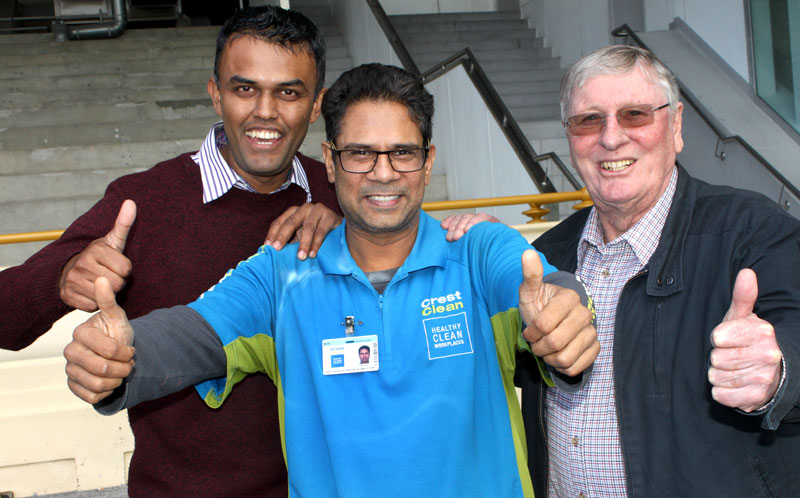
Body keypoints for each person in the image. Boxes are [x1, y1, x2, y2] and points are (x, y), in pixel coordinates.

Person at [64, 63, 599, 497]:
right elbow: (190, 336)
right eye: (361, 153)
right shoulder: (282, 274)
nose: (383, 173)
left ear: (428, 161)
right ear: (331, 161)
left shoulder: (480, 252)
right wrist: (118, 355)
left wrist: (567, 311)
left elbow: (547, 293)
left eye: (402, 153)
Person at [0, 7, 344, 496]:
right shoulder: (144, 200)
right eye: (245, 88)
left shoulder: (341, 195)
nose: (265, 111)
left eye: (288, 92)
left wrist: (352, 234)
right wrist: (60, 279)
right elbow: (6, 319)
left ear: (316, 105)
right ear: (215, 93)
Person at [514, 45, 800, 497]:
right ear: (569, 137)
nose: (611, 138)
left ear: (677, 125)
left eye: (634, 115)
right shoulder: (548, 256)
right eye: (589, 120)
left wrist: (779, 371)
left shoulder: (754, 231)